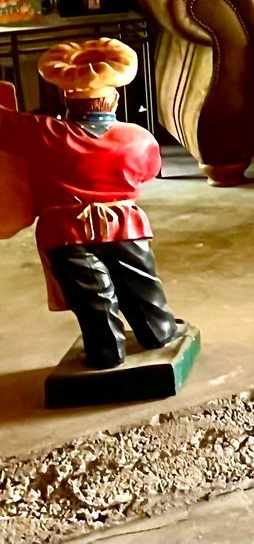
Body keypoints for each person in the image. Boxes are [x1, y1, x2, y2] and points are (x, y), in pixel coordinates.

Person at [0, 38, 182, 369]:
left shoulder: (44, 133)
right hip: (124, 226)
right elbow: (148, 173)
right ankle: (159, 331)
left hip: (65, 233)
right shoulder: (139, 138)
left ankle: (105, 352)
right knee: (141, 286)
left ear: (66, 99)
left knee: (92, 297)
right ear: (113, 98)